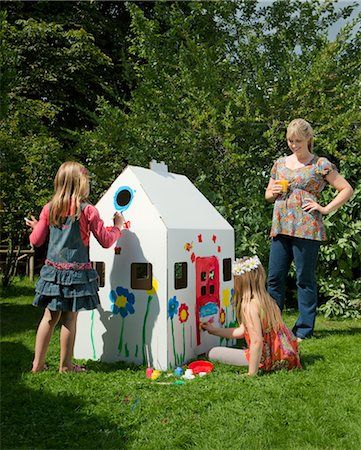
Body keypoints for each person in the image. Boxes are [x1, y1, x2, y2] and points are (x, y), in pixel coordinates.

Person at [25, 161, 124, 373]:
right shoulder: (88, 210)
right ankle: (66, 366)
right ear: (80, 183)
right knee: (70, 317)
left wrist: (36, 227)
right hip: (76, 274)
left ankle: (37, 365)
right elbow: (106, 241)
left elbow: (36, 240)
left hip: (52, 274)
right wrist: (117, 227)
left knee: (49, 317)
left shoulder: (49, 208)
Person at [265, 118, 353, 341]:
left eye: (298, 141)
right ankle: (273, 327)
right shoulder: (280, 164)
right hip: (281, 225)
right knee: (274, 278)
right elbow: (267, 196)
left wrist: (324, 208)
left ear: (308, 139)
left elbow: (346, 189)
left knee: (304, 279)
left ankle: (304, 329)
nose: (294, 145)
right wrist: (273, 191)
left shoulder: (320, 164)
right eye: (290, 141)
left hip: (306, 227)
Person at [202, 256, 301, 376]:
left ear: (240, 282)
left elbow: (256, 341)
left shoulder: (249, 306)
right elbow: (242, 331)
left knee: (212, 352)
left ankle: (256, 367)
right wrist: (214, 331)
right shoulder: (267, 300)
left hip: (267, 359)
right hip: (283, 354)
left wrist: (252, 372)